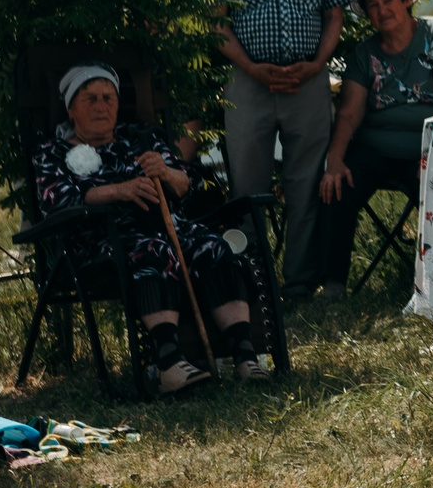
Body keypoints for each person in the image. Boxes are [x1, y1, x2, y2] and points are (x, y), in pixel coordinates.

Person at [30, 65, 268, 390]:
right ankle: (169, 363)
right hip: (104, 239)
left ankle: (245, 356)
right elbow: (58, 201)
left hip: (170, 227)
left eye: (108, 98)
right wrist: (120, 190)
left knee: (213, 247)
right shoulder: (53, 152)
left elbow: (189, 183)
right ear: (71, 108)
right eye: (90, 99)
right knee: (152, 250)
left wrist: (168, 174)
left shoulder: (142, 138)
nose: (101, 105)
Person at [212, 0, 355, 303]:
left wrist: (318, 64)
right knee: (247, 187)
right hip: (247, 82)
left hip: (308, 81)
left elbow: (335, 14)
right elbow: (216, 21)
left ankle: (298, 285)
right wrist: (251, 67)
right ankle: (252, 285)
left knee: (306, 185)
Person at [320, 0, 433, 273]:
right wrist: (334, 160)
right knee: (337, 186)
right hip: (375, 149)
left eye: (387, 0)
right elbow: (348, 112)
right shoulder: (364, 54)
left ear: (405, 0)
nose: (382, 10)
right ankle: (332, 283)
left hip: (431, 148)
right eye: (372, 5)